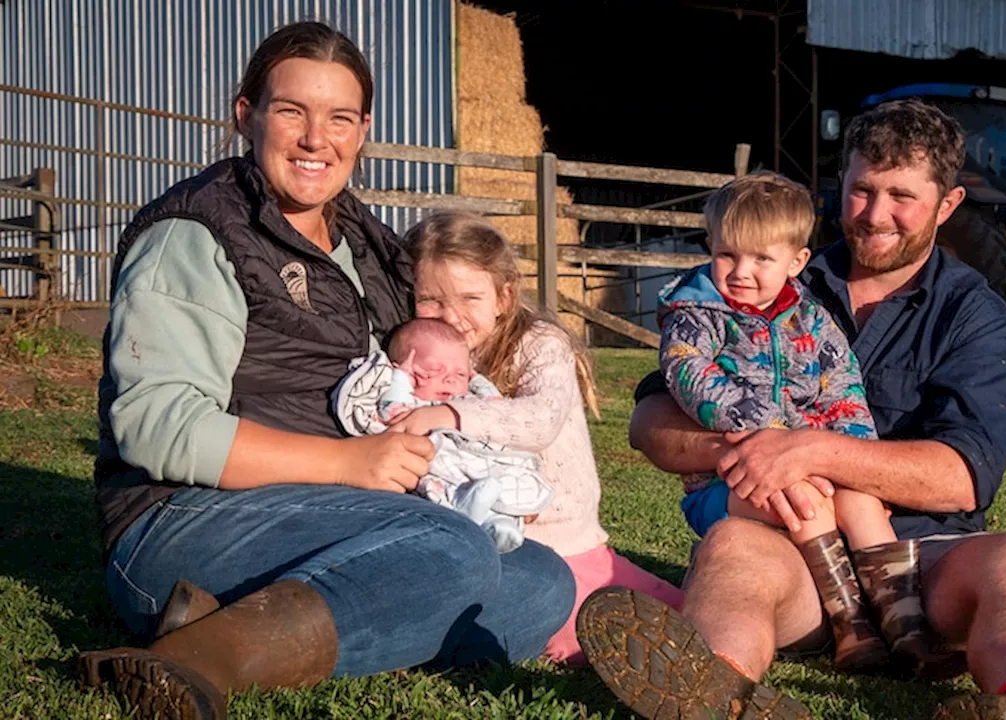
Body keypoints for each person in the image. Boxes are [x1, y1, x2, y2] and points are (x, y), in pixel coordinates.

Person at [576, 99, 1006, 720]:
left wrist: (813, 450)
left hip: (923, 560)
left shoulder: (977, 319)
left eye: (901, 195)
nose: (875, 215)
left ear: (947, 205)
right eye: (861, 190)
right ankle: (717, 698)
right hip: (791, 548)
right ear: (838, 187)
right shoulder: (766, 275)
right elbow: (648, 426)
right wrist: (745, 451)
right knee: (733, 547)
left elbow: (960, 479)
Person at [76, 22, 575, 720]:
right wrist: (349, 464)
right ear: (246, 115)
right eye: (292, 112)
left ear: (363, 128)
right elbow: (155, 426)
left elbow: (442, 339)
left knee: (540, 582)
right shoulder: (196, 233)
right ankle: (192, 665)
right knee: (451, 546)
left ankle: (234, 619)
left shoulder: (365, 240)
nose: (318, 139)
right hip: (182, 518)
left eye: (340, 117)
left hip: (328, 510)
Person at [656, 170, 934, 673]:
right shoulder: (696, 314)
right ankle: (852, 626)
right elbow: (688, 372)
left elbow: (843, 386)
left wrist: (850, 456)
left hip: (806, 465)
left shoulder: (811, 319)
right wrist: (771, 434)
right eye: (727, 254)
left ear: (796, 261)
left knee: (863, 501)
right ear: (710, 246)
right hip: (727, 483)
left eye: (762, 258)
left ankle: (905, 622)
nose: (741, 271)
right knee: (807, 504)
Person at [383, 209, 684, 666]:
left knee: (676, 620)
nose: (453, 316)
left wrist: (447, 412)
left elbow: (539, 419)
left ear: (503, 296)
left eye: (469, 297)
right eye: (431, 300)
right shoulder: (418, 352)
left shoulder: (540, 344)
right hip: (487, 538)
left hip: (564, 539)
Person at [332, 317, 555, 553]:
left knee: (502, 482)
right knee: (440, 480)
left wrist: (475, 379)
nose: (449, 378)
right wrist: (400, 379)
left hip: (476, 461)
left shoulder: (468, 403)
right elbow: (391, 409)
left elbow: (494, 404)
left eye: (460, 374)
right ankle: (462, 508)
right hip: (437, 466)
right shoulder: (410, 405)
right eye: (432, 372)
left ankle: (499, 524)